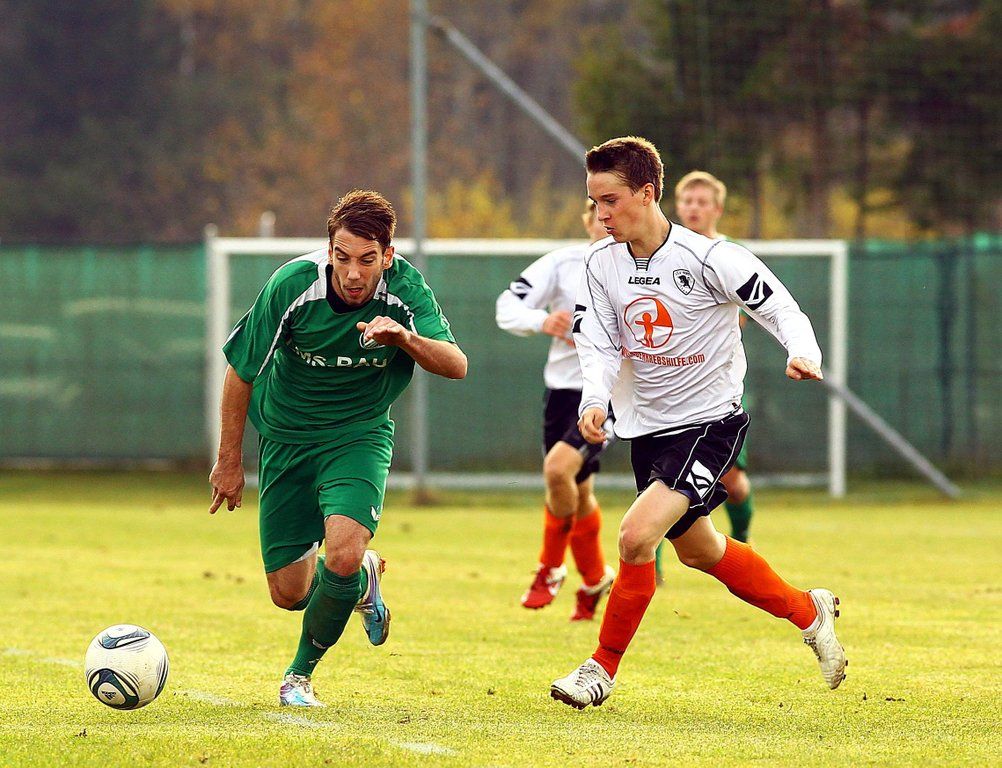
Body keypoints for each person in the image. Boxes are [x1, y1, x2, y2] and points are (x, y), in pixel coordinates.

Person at [549, 137, 846, 710]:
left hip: (709, 423)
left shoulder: (711, 258)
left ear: (647, 193)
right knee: (701, 551)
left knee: (635, 537)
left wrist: (802, 351)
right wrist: (594, 401)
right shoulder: (600, 263)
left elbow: (779, 306)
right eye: (594, 201)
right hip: (648, 429)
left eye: (610, 200)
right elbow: (600, 343)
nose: (600, 214)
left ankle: (600, 669)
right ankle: (809, 611)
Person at [208, 190, 467, 707]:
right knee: (289, 594)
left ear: (387, 256)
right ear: (329, 251)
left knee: (342, 553)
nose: (353, 273)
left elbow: (456, 364)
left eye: (367, 260)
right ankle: (361, 578)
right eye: (343, 257)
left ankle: (299, 676)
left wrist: (405, 339)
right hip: (285, 438)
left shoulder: (405, 290)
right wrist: (229, 461)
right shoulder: (292, 284)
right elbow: (240, 371)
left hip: (358, 436)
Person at [495, 200, 616, 621]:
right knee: (577, 491)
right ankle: (595, 577)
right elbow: (507, 305)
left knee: (557, 470)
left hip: (610, 393)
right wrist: (540, 321)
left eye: (614, 208)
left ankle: (549, 567)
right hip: (561, 391)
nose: (607, 219)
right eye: (599, 211)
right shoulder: (563, 264)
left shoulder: (645, 269)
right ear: (587, 220)